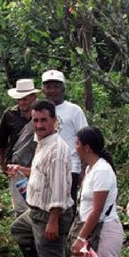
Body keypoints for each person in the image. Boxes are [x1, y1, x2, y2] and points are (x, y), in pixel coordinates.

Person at [8, 100, 75, 257]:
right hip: (35, 211)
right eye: (35, 120)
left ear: (54, 120)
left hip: (49, 214)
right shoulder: (42, 143)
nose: (39, 125)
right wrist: (21, 170)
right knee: (19, 230)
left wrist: (53, 221)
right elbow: (42, 174)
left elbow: (60, 190)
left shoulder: (56, 150)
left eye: (44, 120)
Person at [70, 127, 125, 257]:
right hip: (94, 232)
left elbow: (97, 209)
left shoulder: (101, 170)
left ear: (87, 148)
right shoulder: (89, 169)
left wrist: (81, 238)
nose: (75, 147)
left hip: (103, 232)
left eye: (77, 143)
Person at [41, 70, 88, 201]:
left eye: (56, 86)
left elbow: (85, 140)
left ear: (63, 88)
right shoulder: (40, 111)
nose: (52, 91)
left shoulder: (74, 110)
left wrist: (84, 168)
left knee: (68, 205)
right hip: (46, 168)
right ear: (43, 90)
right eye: (48, 87)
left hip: (70, 167)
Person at [0, 78, 39, 216]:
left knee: (39, 203)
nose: (22, 102)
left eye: (25, 99)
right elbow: (1, 141)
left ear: (33, 97)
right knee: (20, 206)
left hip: (37, 166)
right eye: (19, 99)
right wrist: (2, 162)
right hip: (16, 167)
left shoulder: (42, 115)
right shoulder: (9, 115)